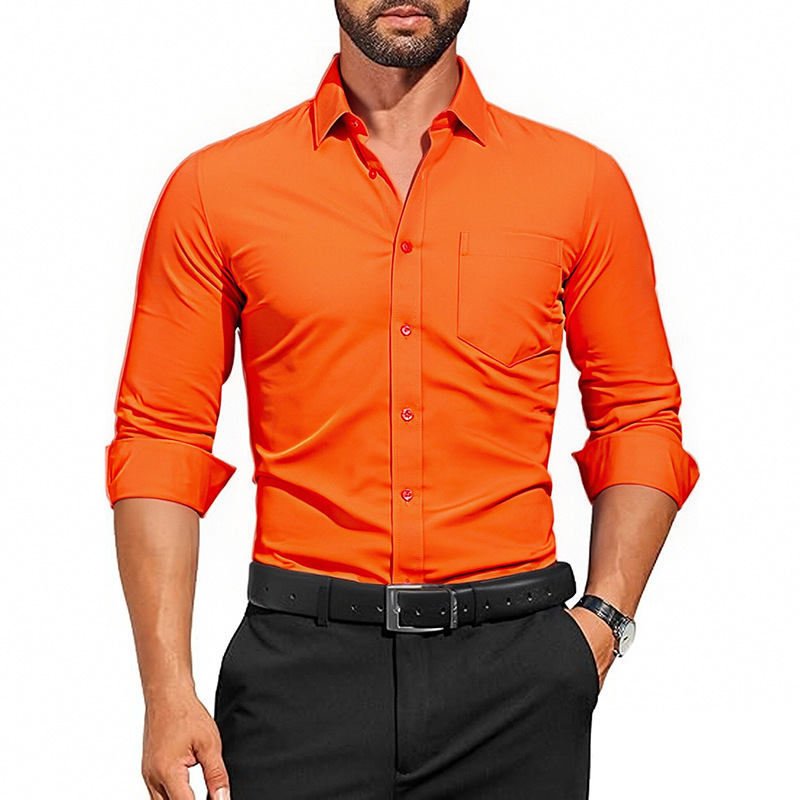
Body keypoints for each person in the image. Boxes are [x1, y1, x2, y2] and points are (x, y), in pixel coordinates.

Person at [105, 2, 699, 798]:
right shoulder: (216, 189)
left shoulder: (580, 183)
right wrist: (166, 689)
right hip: (299, 679)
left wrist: (603, 623)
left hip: (518, 677)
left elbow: (639, 417)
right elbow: (161, 439)